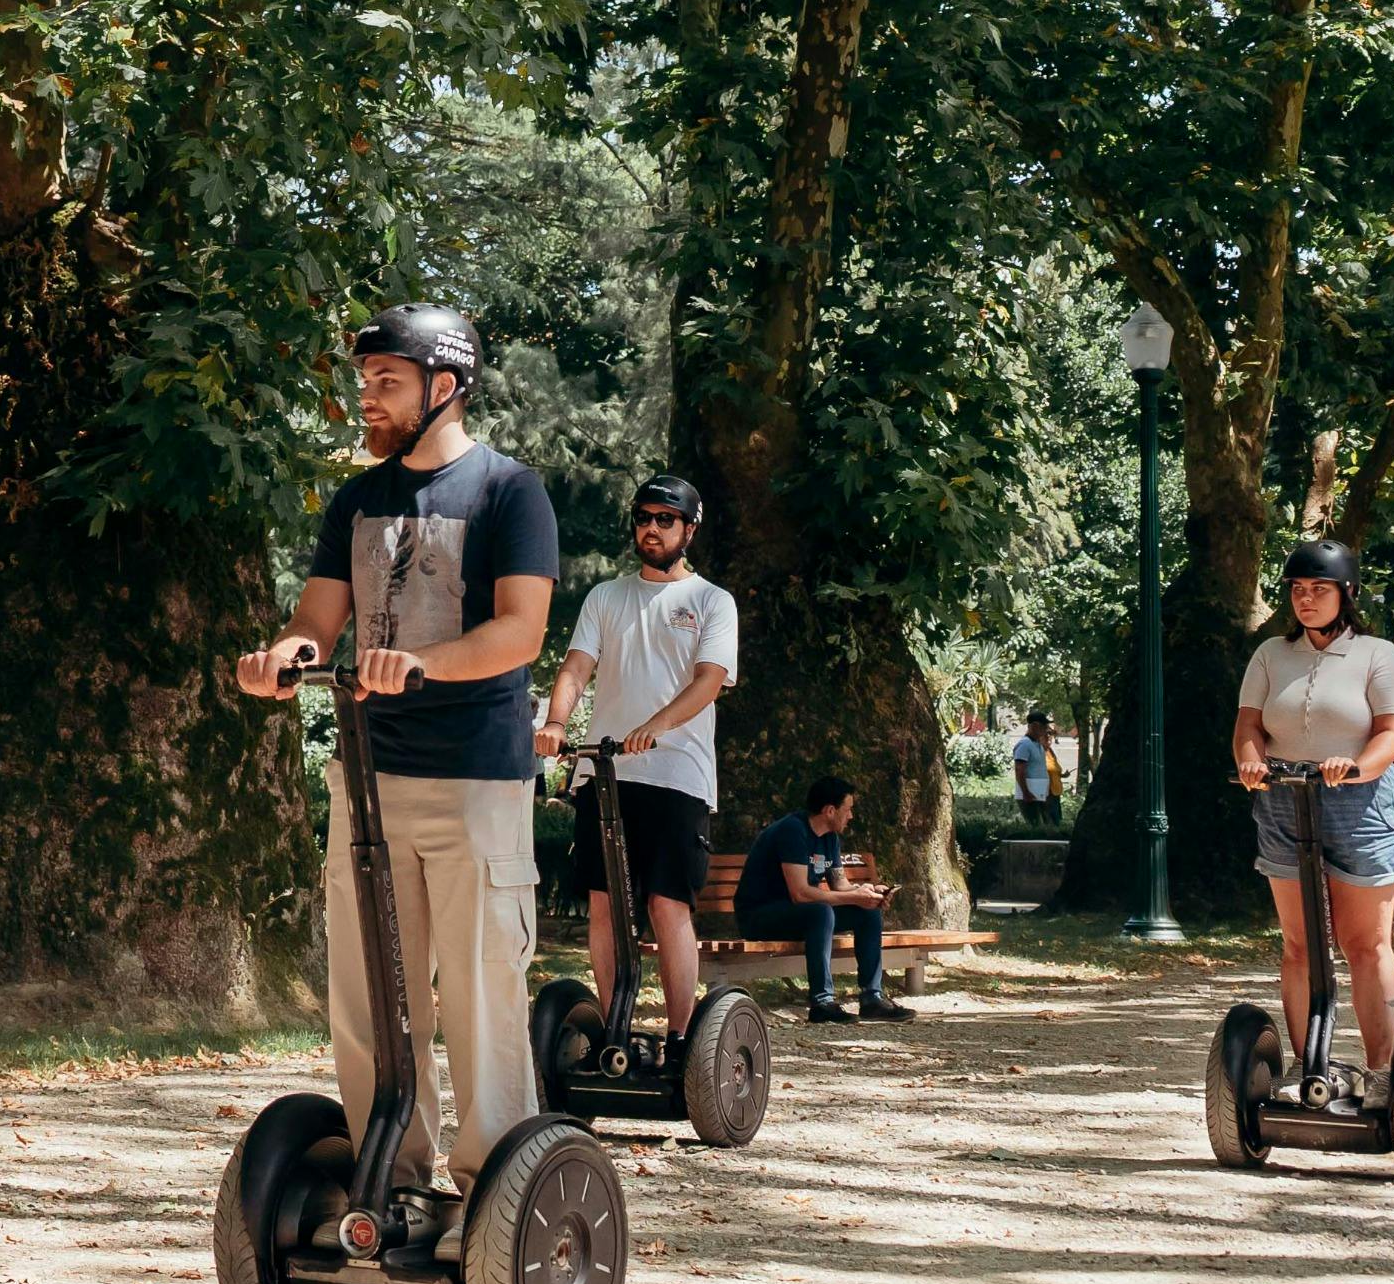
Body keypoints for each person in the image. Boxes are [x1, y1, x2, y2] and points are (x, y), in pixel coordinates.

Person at [235, 304, 561, 1213]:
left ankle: (496, 1197)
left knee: (482, 996)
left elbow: (521, 631)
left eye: (387, 381)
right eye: (365, 380)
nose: (367, 398)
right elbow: (316, 621)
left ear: (444, 386)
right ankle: (393, 1184)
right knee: (371, 997)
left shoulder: (509, 493)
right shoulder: (357, 500)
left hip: (475, 782)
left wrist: (423, 663)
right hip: (369, 782)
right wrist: (282, 658)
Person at [537, 475, 739, 1036]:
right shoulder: (606, 597)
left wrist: (657, 725)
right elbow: (577, 666)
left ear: (689, 530)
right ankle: (614, 1032)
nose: (651, 528)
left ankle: (681, 1039)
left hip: (678, 774)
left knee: (666, 905)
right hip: (605, 774)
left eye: (665, 520)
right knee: (604, 904)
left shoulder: (711, 601)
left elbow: (709, 681)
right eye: (643, 517)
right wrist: (556, 723)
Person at [1234, 536, 1394, 1096]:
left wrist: (1356, 766)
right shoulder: (1271, 654)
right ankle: (1305, 1067)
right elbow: (1249, 725)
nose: (1306, 599)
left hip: (1361, 804)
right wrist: (1250, 762)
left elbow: (1393, 732)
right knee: (1299, 944)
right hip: (1285, 797)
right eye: (1297, 589)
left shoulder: (1377, 654)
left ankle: (1381, 1073)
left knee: (1366, 944)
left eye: (1319, 589)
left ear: (1347, 593)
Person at [738, 778, 912, 1023]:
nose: (851, 816)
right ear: (830, 810)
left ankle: (872, 998)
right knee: (821, 912)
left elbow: (840, 885)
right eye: (848, 809)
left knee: (867, 912)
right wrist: (854, 896)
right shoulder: (792, 831)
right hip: (760, 916)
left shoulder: (830, 837)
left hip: (799, 915)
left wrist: (868, 892)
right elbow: (800, 893)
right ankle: (822, 1003)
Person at [1012, 711, 1062, 829]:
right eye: (1044, 726)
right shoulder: (1024, 745)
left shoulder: (1038, 744)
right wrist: (1026, 792)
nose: (1046, 729)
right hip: (1029, 794)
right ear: (1034, 726)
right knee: (1035, 827)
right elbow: (1019, 770)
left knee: (1046, 826)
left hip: (1040, 794)